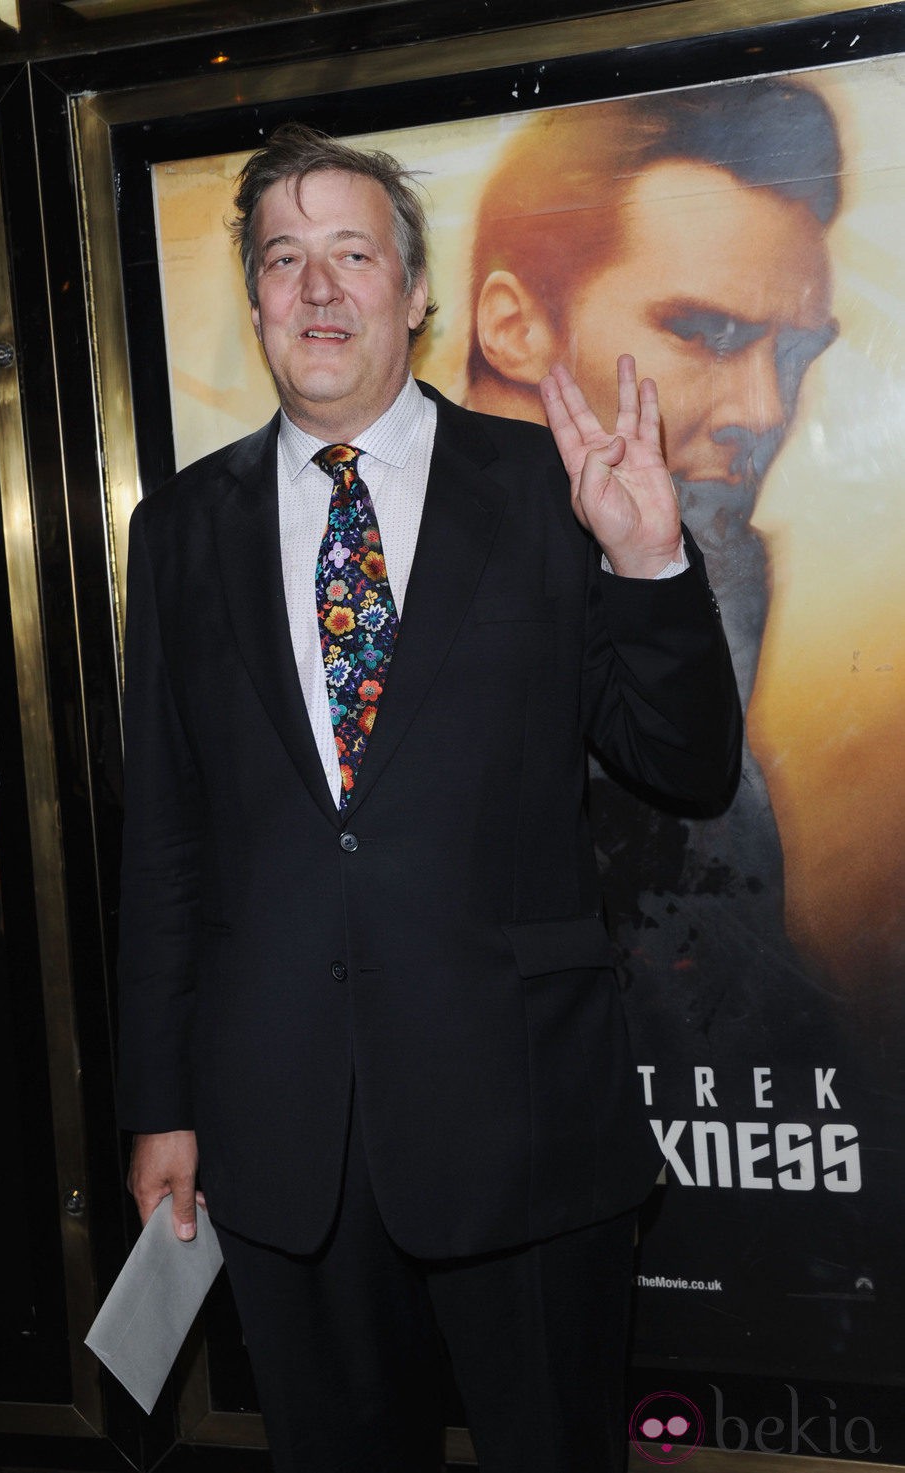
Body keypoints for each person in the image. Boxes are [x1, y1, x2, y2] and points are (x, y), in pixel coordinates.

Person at [117, 122, 740, 1472]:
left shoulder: (542, 494)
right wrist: (161, 1102)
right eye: (286, 260)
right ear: (257, 300)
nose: (320, 289)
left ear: (415, 294)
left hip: (519, 1119)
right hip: (282, 1136)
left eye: (354, 253)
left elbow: (687, 765)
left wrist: (645, 561)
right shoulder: (175, 534)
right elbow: (164, 840)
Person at [466, 81, 842, 1056]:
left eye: (793, 352)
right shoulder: (400, 597)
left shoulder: (710, 564)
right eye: (704, 332)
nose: (762, 408)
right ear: (514, 326)